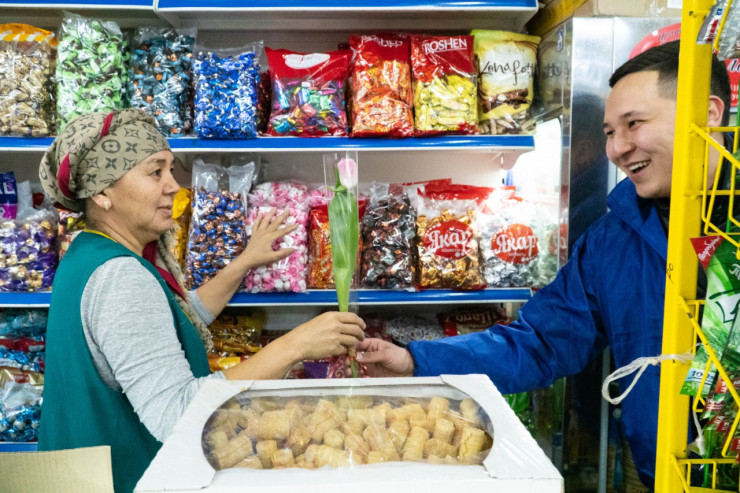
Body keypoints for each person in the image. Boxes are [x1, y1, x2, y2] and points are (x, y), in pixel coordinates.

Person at [356, 39, 732, 490]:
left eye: (634, 124)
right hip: (661, 473)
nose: (617, 148)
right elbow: (540, 341)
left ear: (708, 114)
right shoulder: (612, 241)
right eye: (609, 132)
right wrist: (415, 359)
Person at [36, 109, 366, 493]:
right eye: (155, 172)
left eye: (171, 170)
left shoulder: (88, 252)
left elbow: (170, 322)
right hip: (128, 481)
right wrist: (295, 346)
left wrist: (244, 261)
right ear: (102, 193)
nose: (173, 186)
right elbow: (178, 413)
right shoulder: (120, 277)